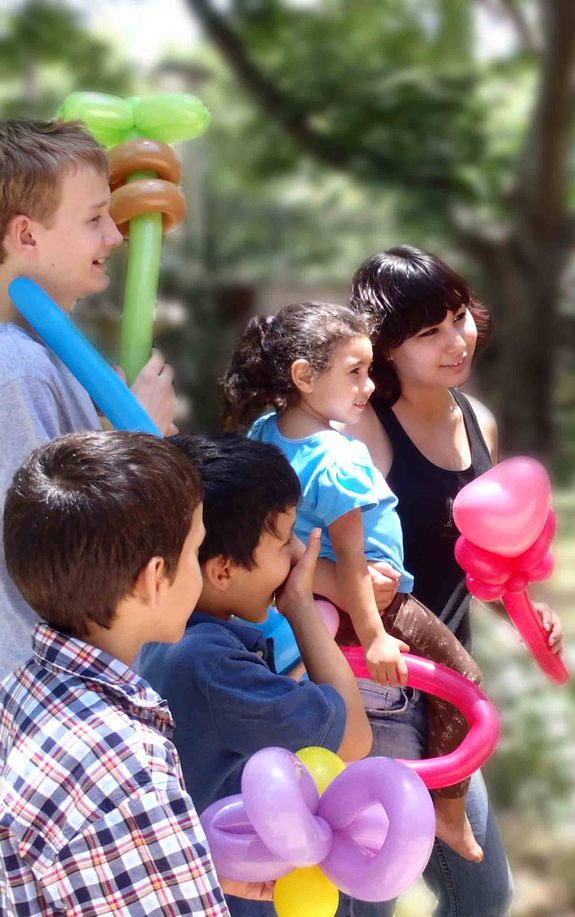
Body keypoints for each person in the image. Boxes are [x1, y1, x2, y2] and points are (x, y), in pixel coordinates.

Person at [341, 245, 565, 917]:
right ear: (385, 348)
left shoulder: (477, 418)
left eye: (458, 317)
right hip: (371, 691)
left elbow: (478, 559)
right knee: (365, 901)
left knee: (481, 894)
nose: (455, 340)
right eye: (427, 332)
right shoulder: (361, 430)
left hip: (445, 697)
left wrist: (522, 606)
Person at [219, 303, 486, 865]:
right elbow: (351, 558)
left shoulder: (265, 435)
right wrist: (376, 636)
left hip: (309, 607)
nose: (369, 386)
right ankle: (451, 809)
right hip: (378, 606)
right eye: (355, 372)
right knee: (465, 677)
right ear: (303, 376)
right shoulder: (338, 457)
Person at [0, 431, 262, 915]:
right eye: (195, 551)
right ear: (153, 578)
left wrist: (181, 858)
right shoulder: (127, 766)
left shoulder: (19, 694)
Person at [137, 433, 372, 916]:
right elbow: (354, 737)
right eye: (284, 541)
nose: (293, 559)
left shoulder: (152, 635)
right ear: (222, 570)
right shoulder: (215, 667)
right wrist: (301, 605)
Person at [0, 119, 179, 679]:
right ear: (26, 235)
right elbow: (56, 547)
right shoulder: (16, 369)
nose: (115, 237)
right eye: (94, 219)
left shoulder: (41, 354)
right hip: (45, 694)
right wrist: (139, 438)